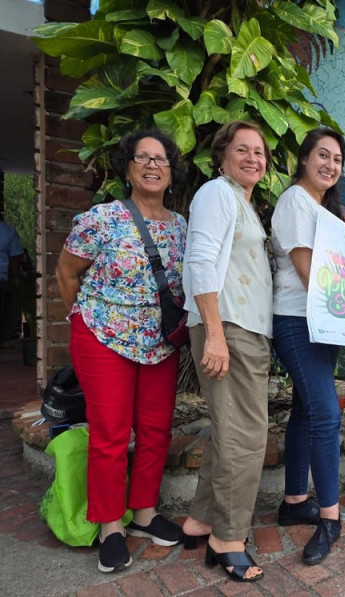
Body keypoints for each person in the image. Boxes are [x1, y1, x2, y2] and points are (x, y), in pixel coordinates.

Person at [55, 129, 187, 572]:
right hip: (102, 337)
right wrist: (84, 318)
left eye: (161, 159)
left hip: (159, 342)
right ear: (127, 167)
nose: (153, 166)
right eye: (142, 158)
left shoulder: (182, 227)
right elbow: (66, 273)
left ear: (172, 171)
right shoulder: (102, 218)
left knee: (155, 430)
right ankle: (111, 525)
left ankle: (145, 513)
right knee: (110, 434)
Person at [180, 121, 274, 583]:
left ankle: (200, 521)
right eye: (243, 149)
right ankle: (228, 538)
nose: (253, 158)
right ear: (222, 156)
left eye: (259, 151)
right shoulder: (217, 194)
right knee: (247, 436)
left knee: (228, 430)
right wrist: (214, 333)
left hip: (243, 329)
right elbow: (199, 260)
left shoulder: (241, 202)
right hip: (229, 327)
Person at [271, 128, 345, 565]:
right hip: (297, 319)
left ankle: (294, 501)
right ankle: (329, 517)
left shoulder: (323, 208)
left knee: (306, 409)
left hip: (322, 322)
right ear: (304, 159)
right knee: (324, 411)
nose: (331, 165)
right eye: (323, 155)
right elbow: (307, 270)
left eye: (337, 159)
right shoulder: (295, 202)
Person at [0, 218, 24, 348]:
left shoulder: (8, 230)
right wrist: (15, 279)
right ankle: (3, 339)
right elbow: (15, 257)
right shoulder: (7, 231)